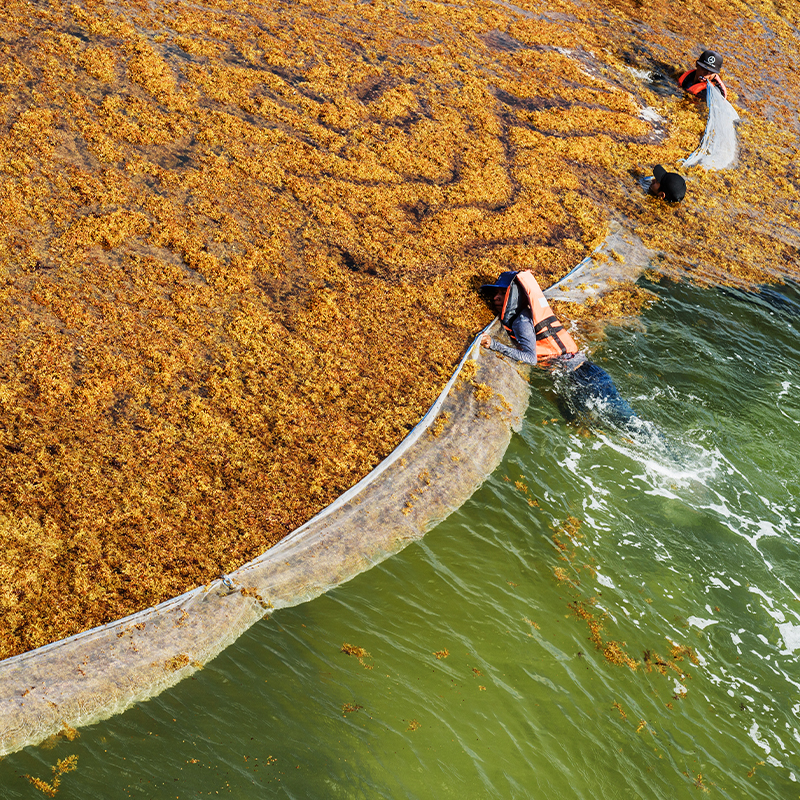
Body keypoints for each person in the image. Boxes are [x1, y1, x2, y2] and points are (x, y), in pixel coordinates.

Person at [479, 270, 638, 431]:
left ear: (514, 296)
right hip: (584, 374)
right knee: (601, 426)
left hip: (583, 377)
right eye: (495, 293)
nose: (495, 298)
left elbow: (530, 358)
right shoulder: (526, 313)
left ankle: (663, 447)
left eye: (502, 293)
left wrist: (493, 344)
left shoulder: (521, 321)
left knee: (629, 423)